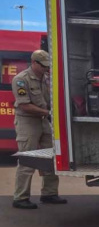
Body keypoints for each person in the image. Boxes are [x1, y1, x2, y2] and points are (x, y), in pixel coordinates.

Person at [12, 50, 66, 209]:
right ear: (34, 62)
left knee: (52, 156)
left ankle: (49, 193)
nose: (46, 69)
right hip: (27, 122)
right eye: (43, 66)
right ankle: (20, 197)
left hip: (43, 121)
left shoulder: (46, 78)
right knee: (28, 159)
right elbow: (24, 105)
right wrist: (49, 113)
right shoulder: (21, 80)